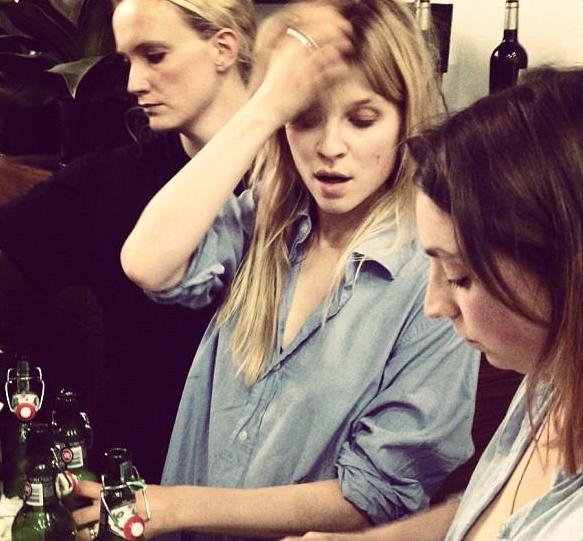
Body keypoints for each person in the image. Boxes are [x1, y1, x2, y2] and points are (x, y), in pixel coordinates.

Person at [73, 1, 479, 540]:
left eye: (362, 120)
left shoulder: (433, 277)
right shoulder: (266, 222)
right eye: (305, 119)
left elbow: (374, 493)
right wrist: (264, 109)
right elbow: (147, 263)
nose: (329, 149)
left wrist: (177, 507)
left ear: (407, 120)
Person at [280, 66, 583, 541]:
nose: (435, 305)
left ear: (567, 267)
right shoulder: (551, 376)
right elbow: (486, 510)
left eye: (460, 276)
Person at [0, 0, 256, 483]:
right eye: (128, 62)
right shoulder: (108, 182)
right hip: (141, 485)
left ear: (223, 47)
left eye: (155, 56)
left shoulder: (316, 178)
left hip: (275, 485)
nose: (134, 82)